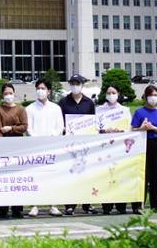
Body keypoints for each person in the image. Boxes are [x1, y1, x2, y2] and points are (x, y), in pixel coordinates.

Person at [58, 73, 98, 215]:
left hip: (85, 144)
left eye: (77, 83)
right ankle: (70, 204)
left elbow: (93, 122)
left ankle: (87, 204)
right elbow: (59, 121)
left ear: (82, 85)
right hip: (69, 145)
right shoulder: (63, 102)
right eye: (72, 83)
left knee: (86, 173)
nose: (75, 86)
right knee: (70, 174)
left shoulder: (89, 103)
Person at [25, 79, 65, 217]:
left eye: (43, 88)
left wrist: (50, 138)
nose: (40, 90)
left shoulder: (56, 108)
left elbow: (60, 127)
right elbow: (28, 128)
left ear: (49, 91)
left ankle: (53, 205)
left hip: (52, 147)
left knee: (52, 176)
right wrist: (37, 140)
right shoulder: (29, 108)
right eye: (38, 88)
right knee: (35, 176)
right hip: (35, 148)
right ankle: (34, 205)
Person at [131, 85, 157, 214]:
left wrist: (153, 127)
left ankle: (156, 204)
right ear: (145, 97)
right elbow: (132, 129)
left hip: (156, 144)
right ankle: (138, 205)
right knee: (143, 175)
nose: (153, 98)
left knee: (156, 175)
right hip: (143, 144)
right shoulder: (139, 112)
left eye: (155, 95)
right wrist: (142, 128)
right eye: (151, 95)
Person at [95, 84, 132, 215]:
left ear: (118, 94)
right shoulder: (99, 110)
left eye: (114, 92)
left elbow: (129, 128)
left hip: (120, 147)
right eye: (109, 93)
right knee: (106, 176)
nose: (111, 95)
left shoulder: (124, 110)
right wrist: (105, 130)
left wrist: (121, 130)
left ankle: (121, 205)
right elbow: (95, 128)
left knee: (120, 174)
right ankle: (107, 205)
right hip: (105, 147)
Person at [0, 83, 27, 219]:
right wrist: (2, 146)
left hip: (18, 147)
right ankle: (2, 208)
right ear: (2, 95)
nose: (8, 96)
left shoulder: (20, 109)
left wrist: (11, 129)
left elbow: (24, 126)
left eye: (10, 93)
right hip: (3, 148)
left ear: (14, 93)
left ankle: (17, 208)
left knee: (18, 179)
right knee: (3, 179)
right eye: (6, 93)